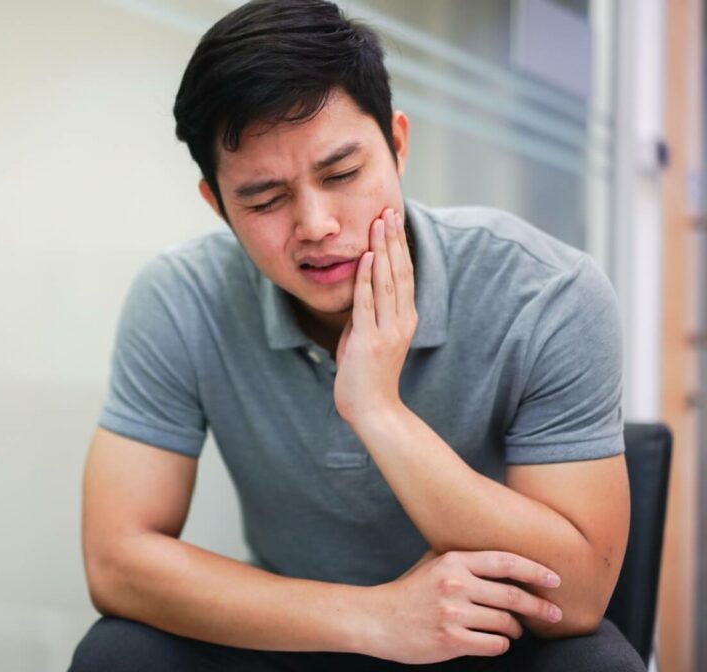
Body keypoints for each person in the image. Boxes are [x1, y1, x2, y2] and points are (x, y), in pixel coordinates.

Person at [69, 1, 644, 669]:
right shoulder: (180, 298)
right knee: (119, 652)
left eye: (342, 174)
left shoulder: (547, 292)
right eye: (264, 199)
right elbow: (116, 562)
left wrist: (378, 411)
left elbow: (576, 593)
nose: (315, 223)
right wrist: (374, 619)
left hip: (485, 635)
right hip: (299, 629)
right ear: (216, 205)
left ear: (398, 144)